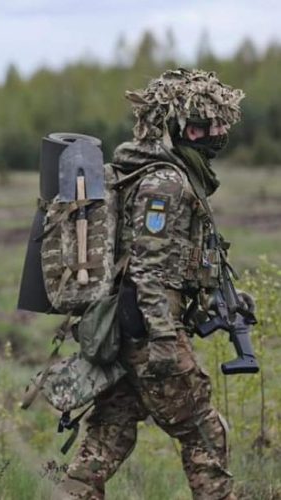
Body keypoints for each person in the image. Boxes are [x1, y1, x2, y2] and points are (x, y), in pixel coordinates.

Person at [57, 68, 247, 500]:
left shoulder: (158, 173)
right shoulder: (166, 183)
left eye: (221, 123)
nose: (218, 133)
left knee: (108, 435)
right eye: (206, 125)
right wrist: (163, 339)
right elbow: (147, 268)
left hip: (128, 329)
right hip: (148, 332)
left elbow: (172, 264)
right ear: (180, 129)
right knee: (203, 431)